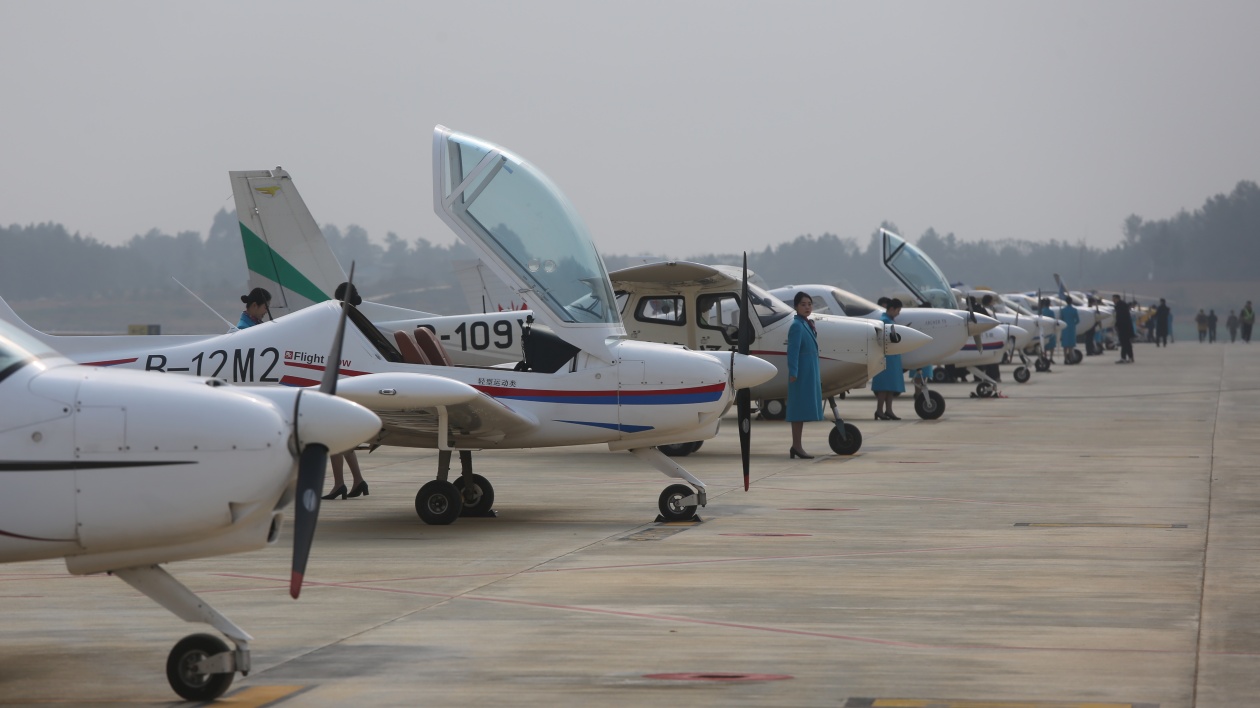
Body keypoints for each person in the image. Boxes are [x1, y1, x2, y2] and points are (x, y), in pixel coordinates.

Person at [324, 280, 370, 499]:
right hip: (353, 384)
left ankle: (340, 484)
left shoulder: (342, 322)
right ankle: (357, 480)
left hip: (341, 384)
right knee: (344, 439)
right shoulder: (357, 321)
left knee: (334, 437)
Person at [785, 292, 823, 458]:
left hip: (809, 370)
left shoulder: (806, 324)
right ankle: (797, 446)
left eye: (809, 304)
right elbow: (792, 351)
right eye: (803, 304)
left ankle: (797, 445)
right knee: (798, 411)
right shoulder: (796, 326)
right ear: (796, 307)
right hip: (801, 373)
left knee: (801, 410)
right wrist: (793, 372)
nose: (807, 307)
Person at [871, 298, 905, 420]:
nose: (898, 313)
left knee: (890, 387)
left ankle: (888, 410)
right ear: (891, 309)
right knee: (884, 387)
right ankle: (879, 410)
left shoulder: (889, 320)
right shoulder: (884, 321)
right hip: (887, 358)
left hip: (892, 358)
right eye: (898, 310)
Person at [1112, 293, 1134, 363]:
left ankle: (1124, 358)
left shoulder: (1120, 306)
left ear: (1117, 298)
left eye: (1114, 298)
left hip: (1124, 328)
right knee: (1126, 343)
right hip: (1125, 327)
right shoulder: (1122, 305)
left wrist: (1116, 325)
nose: (1113, 300)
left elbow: (1120, 317)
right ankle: (1129, 357)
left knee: (1125, 343)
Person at [1059, 297, 1080, 363]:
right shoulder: (1074, 310)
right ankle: (1071, 358)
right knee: (1071, 345)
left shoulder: (1063, 310)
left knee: (1065, 345)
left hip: (1065, 328)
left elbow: (1061, 319)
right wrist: (1073, 323)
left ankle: (1065, 358)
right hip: (1071, 328)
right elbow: (1078, 320)